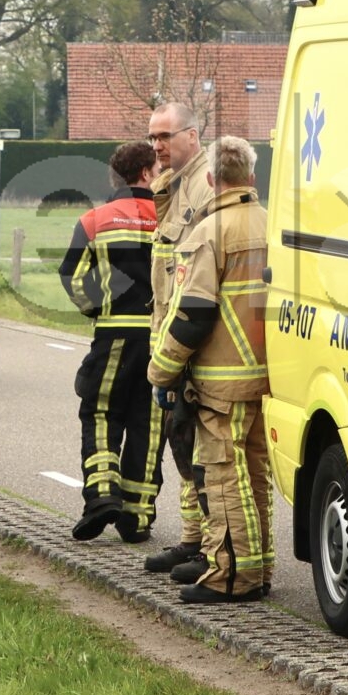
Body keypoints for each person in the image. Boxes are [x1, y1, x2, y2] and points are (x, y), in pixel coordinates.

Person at [148, 135, 272, 603]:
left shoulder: (208, 232)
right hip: (269, 378)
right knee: (253, 479)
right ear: (251, 178)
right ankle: (258, 571)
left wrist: (161, 371)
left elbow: (194, 311)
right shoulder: (271, 224)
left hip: (224, 383)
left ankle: (231, 577)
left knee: (222, 479)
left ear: (209, 179)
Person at [58, 139, 160, 542]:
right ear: (146, 173)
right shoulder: (171, 219)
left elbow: (71, 276)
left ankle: (102, 494)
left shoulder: (94, 220)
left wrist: (95, 307)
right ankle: (137, 516)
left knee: (101, 411)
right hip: (159, 338)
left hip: (113, 332)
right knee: (149, 424)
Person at [139, 99, 215, 577]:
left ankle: (211, 547)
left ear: (192, 135)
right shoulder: (174, 186)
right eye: (152, 138)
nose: (157, 147)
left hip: (198, 347)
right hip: (174, 341)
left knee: (206, 456)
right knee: (182, 444)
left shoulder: (206, 188)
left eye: (164, 137)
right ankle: (192, 540)